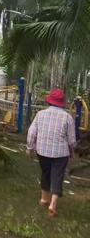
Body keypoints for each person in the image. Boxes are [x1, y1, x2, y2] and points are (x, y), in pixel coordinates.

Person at [27, 89, 76, 217]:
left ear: (50, 101)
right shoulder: (67, 117)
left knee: (45, 173)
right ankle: (52, 204)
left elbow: (32, 133)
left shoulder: (40, 114)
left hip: (42, 151)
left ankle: (43, 199)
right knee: (57, 176)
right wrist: (72, 153)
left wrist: (30, 148)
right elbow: (71, 140)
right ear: (62, 103)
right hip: (60, 153)